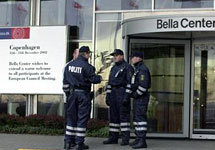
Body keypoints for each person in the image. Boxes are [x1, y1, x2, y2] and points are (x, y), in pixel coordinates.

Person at [63, 46, 102, 150]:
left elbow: (65, 83)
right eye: (89, 54)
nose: (89, 55)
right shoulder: (87, 67)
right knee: (82, 118)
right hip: (83, 95)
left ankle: (68, 142)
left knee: (71, 118)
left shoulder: (69, 65)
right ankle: (79, 143)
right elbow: (93, 79)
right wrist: (99, 78)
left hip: (72, 95)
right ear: (85, 54)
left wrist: (68, 94)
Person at [103, 49, 134, 146]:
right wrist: (108, 95)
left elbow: (130, 83)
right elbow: (109, 83)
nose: (114, 57)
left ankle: (125, 139)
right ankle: (113, 137)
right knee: (113, 117)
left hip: (122, 92)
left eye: (116, 55)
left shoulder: (128, 67)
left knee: (124, 117)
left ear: (121, 56)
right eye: (114, 55)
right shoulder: (113, 68)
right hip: (113, 93)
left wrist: (126, 96)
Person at [127, 51, 151, 149]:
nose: (132, 59)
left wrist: (135, 95)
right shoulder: (137, 69)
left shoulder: (142, 69)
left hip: (141, 97)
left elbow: (143, 86)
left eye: (133, 57)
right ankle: (138, 138)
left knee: (140, 119)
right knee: (137, 119)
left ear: (139, 58)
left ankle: (142, 141)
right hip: (138, 98)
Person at [63, 48, 79, 149]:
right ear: (73, 54)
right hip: (70, 98)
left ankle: (73, 141)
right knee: (70, 120)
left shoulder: (81, 66)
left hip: (76, 98)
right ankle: (68, 141)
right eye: (78, 54)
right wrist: (69, 96)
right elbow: (65, 83)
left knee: (77, 120)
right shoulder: (68, 66)